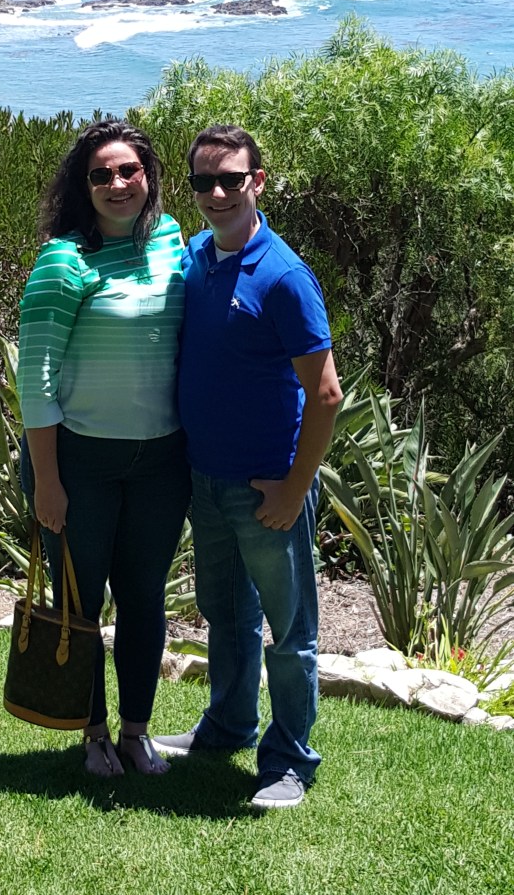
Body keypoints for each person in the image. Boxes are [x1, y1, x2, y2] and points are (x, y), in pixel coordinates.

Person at [153, 124, 342, 809]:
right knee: (226, 613)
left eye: (232, 179)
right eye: (204, 181)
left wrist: (294, 487)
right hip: (207, 479)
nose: (218, 193)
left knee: (290, 632)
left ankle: (290, 760)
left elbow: (326, 393)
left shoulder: (284, 276)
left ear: (258, 182)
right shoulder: (197, 257)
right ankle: (228, 724)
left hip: (267, 489)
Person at [17, 119, 190, 778]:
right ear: (82, 185)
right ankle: (92, 735)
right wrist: (47, 481)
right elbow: (35, 378)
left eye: (129, 170)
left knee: (144, 597)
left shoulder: (170, 238)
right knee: (80, 603)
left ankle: (136, 733)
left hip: (161, 462)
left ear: (149, 175)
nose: (118, 184)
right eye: (101, 174)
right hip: (79, 462)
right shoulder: (63, 260)